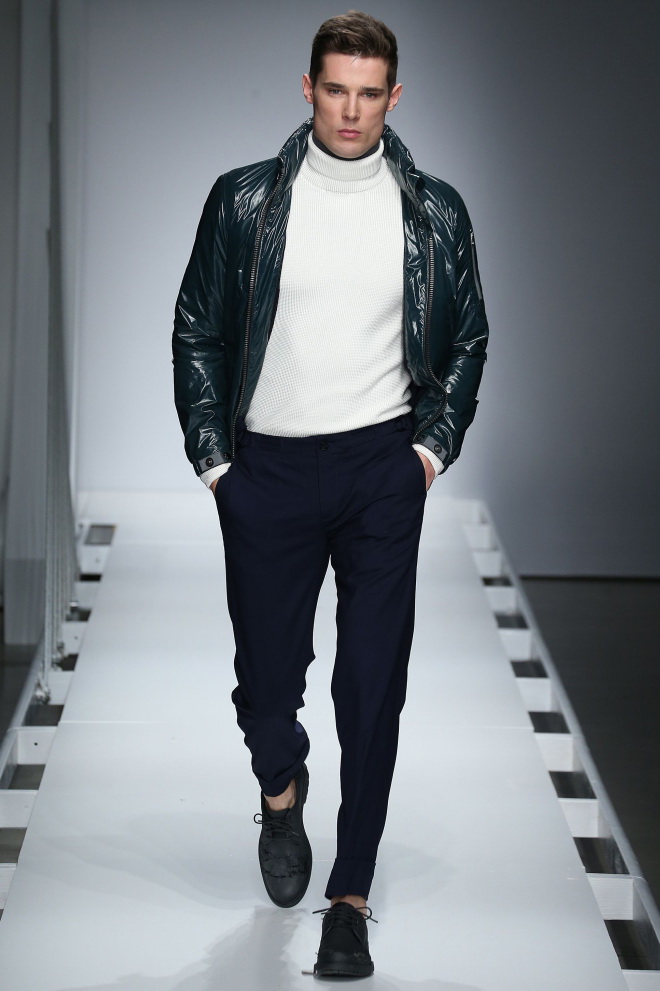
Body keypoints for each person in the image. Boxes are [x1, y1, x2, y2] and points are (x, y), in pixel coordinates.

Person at [172, 10, 488, 978]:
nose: (351, 111)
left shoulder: (435, 212)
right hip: (265, 468)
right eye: (336, 90)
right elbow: (197, 328)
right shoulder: (243, 201)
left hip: (380, 470)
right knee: (268, 684)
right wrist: (217, 466)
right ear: (307, 88)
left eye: (369, 93)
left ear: (394, 97)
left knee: (372, 685)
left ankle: (349, 898)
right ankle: (281, 790)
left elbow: (468, 338)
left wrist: (426, 454)